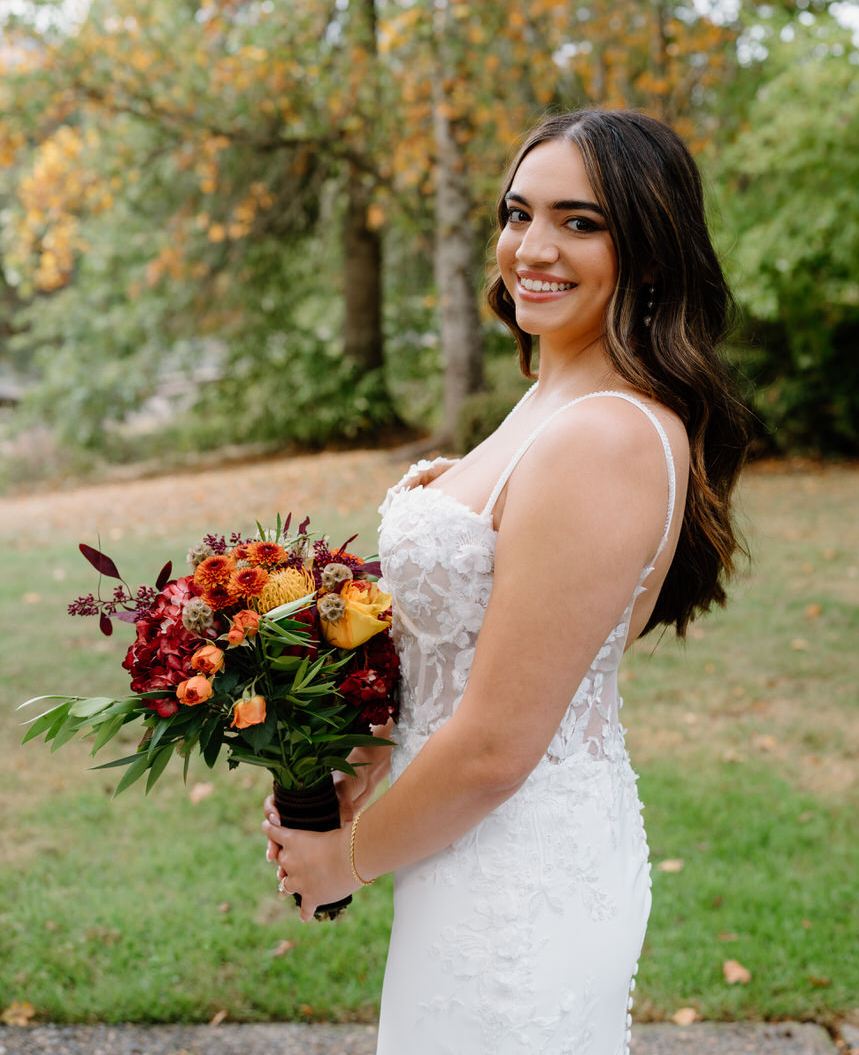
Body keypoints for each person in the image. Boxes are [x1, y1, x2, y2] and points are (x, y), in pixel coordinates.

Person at [262, 107, 750, 1054]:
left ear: (651, 256)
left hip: (517, 881)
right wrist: (357, 756)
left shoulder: (604, 435)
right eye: (518, 213)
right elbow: (466, 651)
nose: (533, 247)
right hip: (464, 849)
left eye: (580, 222)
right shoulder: (550, 399)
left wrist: (343, 861)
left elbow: (496, 745)